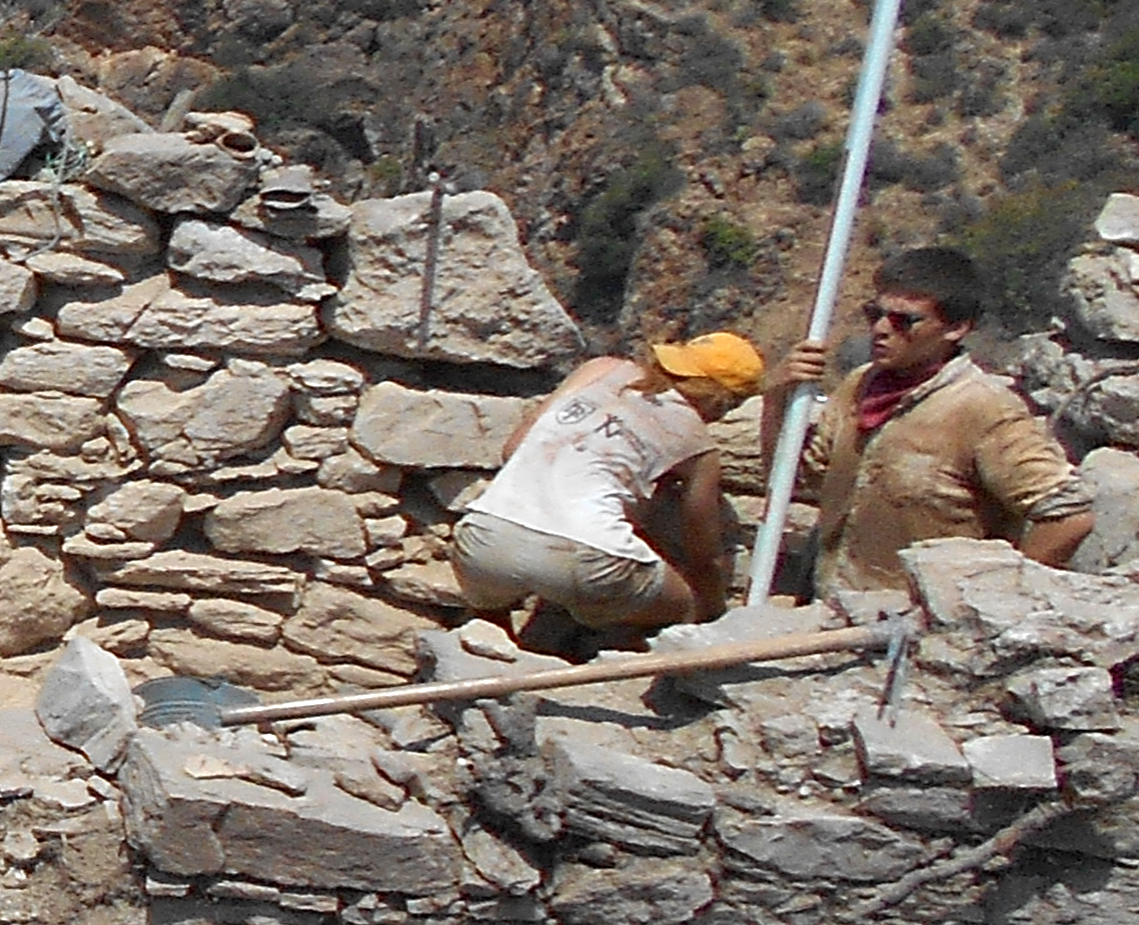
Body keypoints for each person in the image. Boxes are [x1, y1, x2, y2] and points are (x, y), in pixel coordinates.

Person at [783, 248, 1092, 596]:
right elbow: (793, 482)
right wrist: (778, 395)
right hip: (833, 607)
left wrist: (990, 606)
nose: (882, 330)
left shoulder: (983, 408)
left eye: (905, 321)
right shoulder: (859, 385)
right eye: (876, 314)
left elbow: (1068, 517)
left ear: (956, 328)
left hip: (919, 634)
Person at [451, 333, 765, 652]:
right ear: (724, 401)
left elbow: (513, 449)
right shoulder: (698, 446)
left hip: (485, 535)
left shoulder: (601, 369)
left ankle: (484, 679)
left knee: (488, 628)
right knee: (682, 607)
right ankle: (606, 665)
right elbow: (704, 554)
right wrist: (713, 614)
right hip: (589, 560)